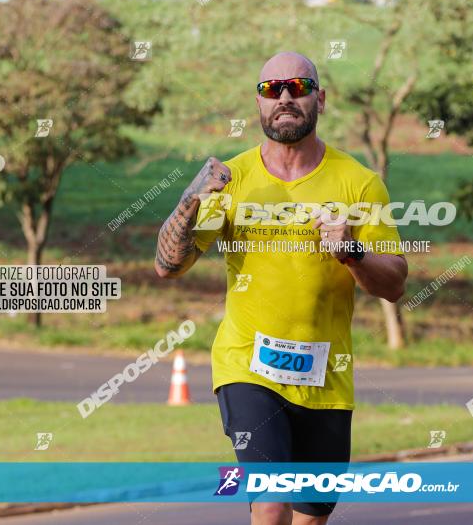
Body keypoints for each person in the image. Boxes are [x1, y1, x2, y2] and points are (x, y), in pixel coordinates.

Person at [155, 51, 408, 524]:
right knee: (271, 502)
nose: (285, 98)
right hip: (248, 365)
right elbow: (170, 266)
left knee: (310, 517)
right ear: (259, 102)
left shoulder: (359, 184)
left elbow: (394, 284)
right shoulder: (231, 181)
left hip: (326, 379)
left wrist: (352, 251)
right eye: (272, 90)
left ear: (320, 98)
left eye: (297, 87)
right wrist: (189, 202)